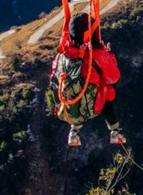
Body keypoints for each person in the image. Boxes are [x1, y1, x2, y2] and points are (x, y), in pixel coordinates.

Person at [52, 12, 127, 147]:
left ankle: (74, 132)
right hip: (91, 107)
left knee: (79, 86)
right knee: (108, 87)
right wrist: (108, 55)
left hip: (66, 109)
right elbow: (114, 77)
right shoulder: (95, 55)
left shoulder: (61, 55)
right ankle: (115, 130)